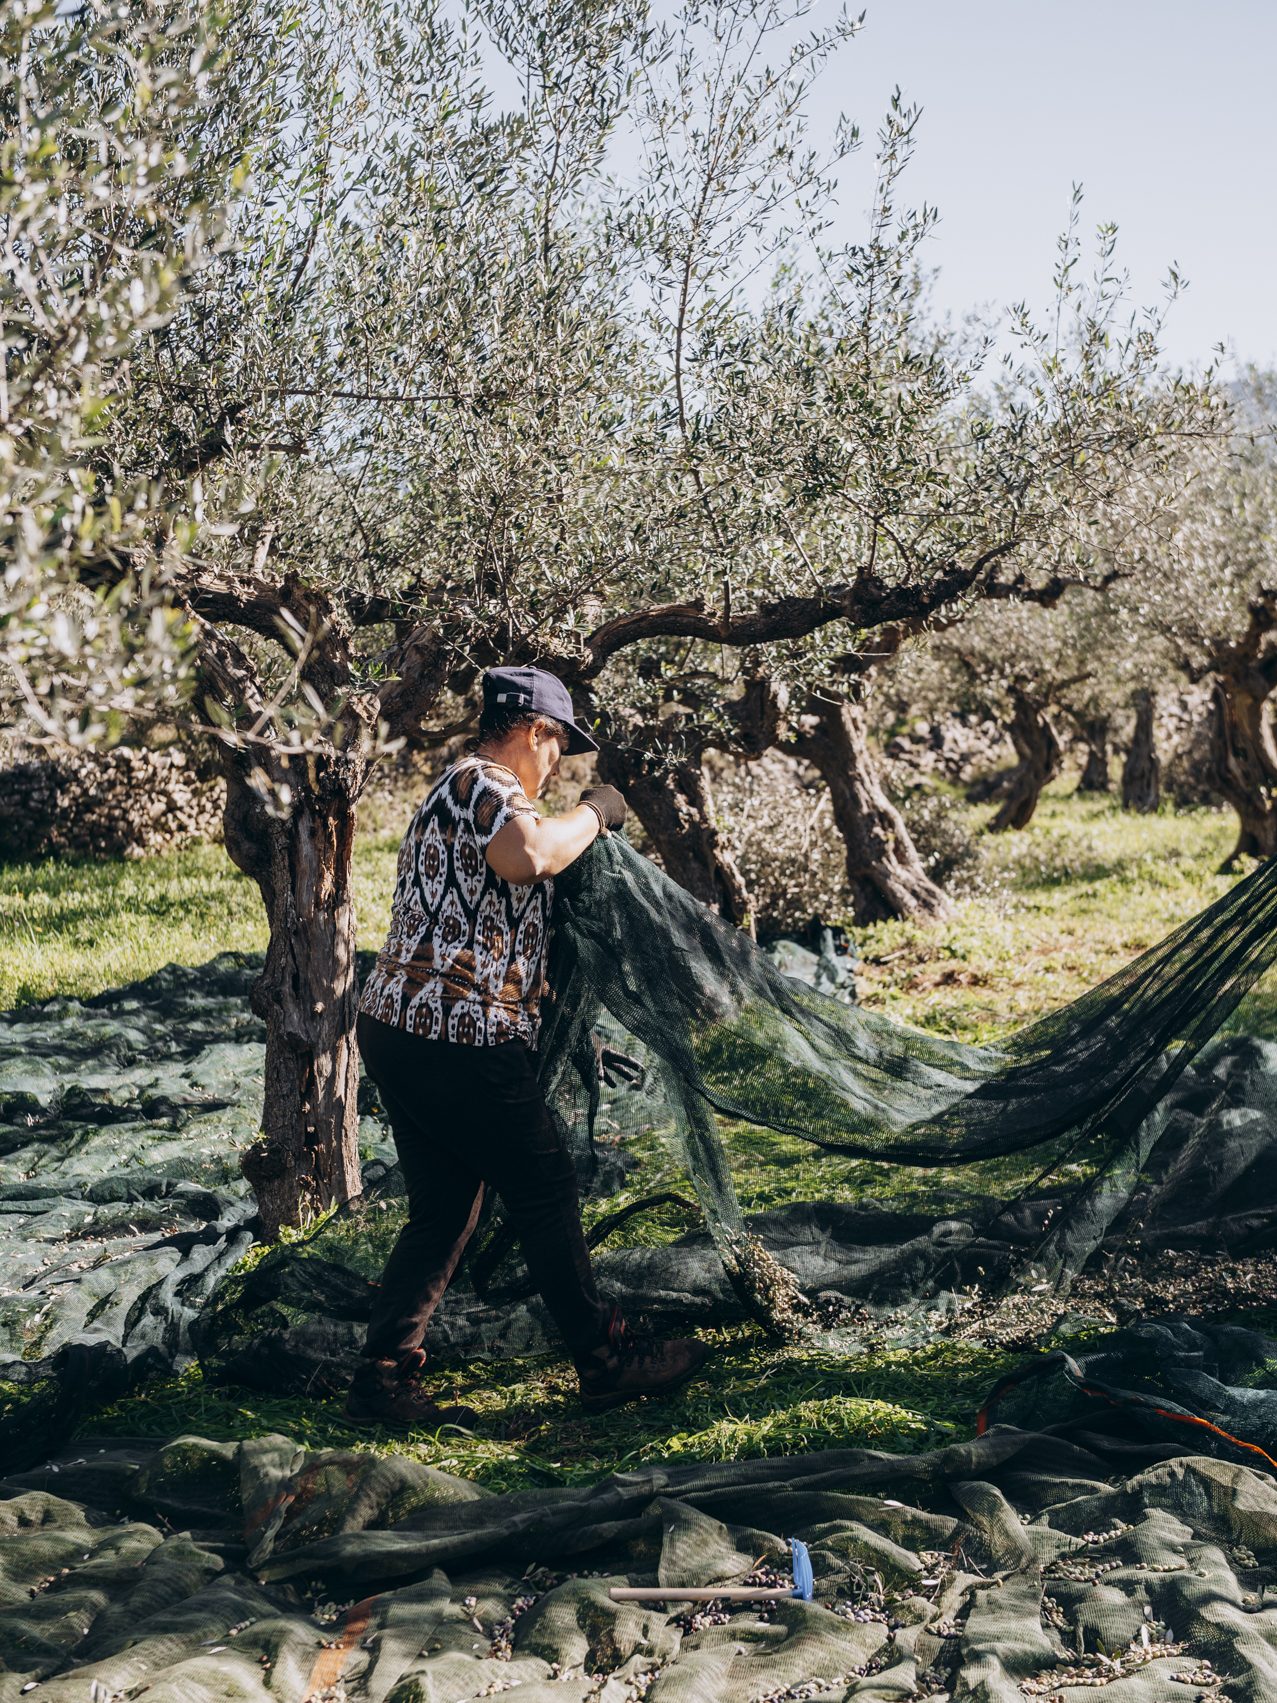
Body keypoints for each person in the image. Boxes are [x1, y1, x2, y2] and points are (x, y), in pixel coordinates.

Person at [343, 663, 712, 1430]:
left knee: (443, 1209)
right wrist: (596, 811)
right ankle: (603, 1359)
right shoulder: (482, 782)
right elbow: (529, 856)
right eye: (556, 749)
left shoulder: (456, 792)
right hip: (454, 1031)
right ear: (534, 730)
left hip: (403, 1029)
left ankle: (383, 1374)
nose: (554, 767)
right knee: (542, 1187)